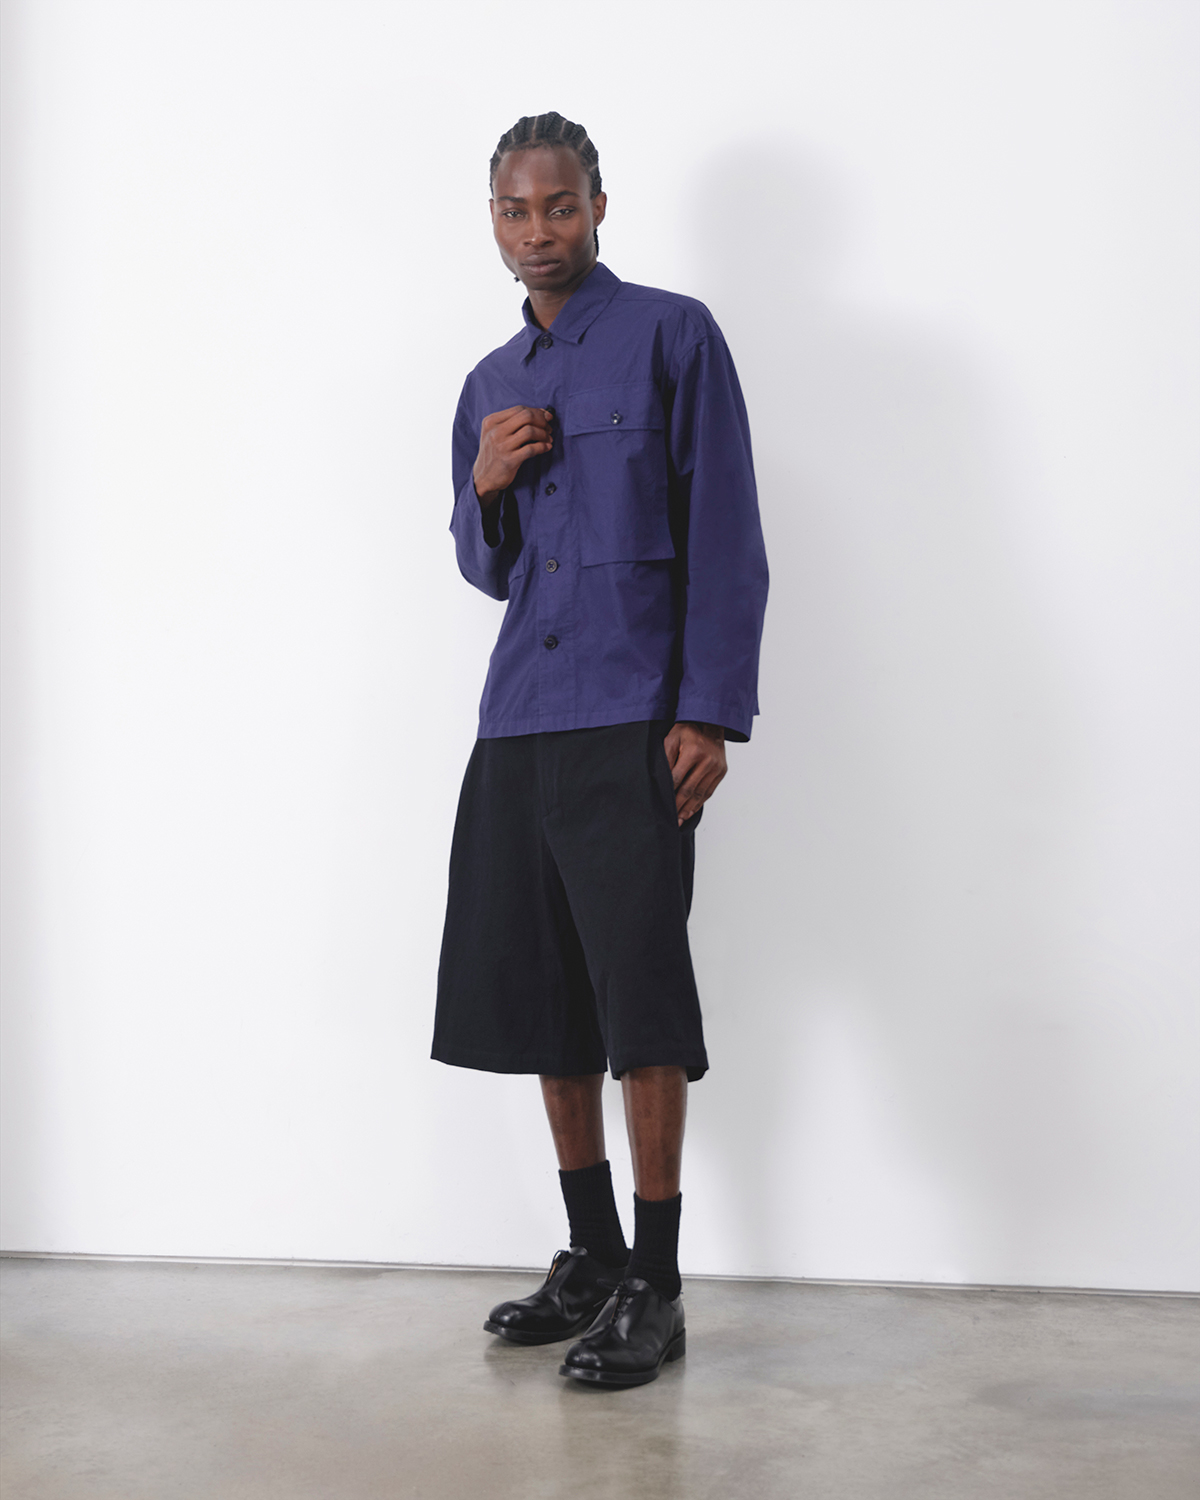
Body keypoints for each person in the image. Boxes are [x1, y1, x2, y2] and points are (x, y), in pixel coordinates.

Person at [431, 112, 768, 1388]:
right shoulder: (487, 383)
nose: (539, 232)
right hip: (519, 716)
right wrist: (484, 484)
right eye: (516, 211)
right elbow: (488, 571)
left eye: (559, 205)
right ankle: (591, 1255)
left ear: (599, 206)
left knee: (640, 1000)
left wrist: (709, 711)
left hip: (633, 715)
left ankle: (658, 1285)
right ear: (494, 219)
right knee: (544, 995)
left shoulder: (675, 335)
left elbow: (727, 532)